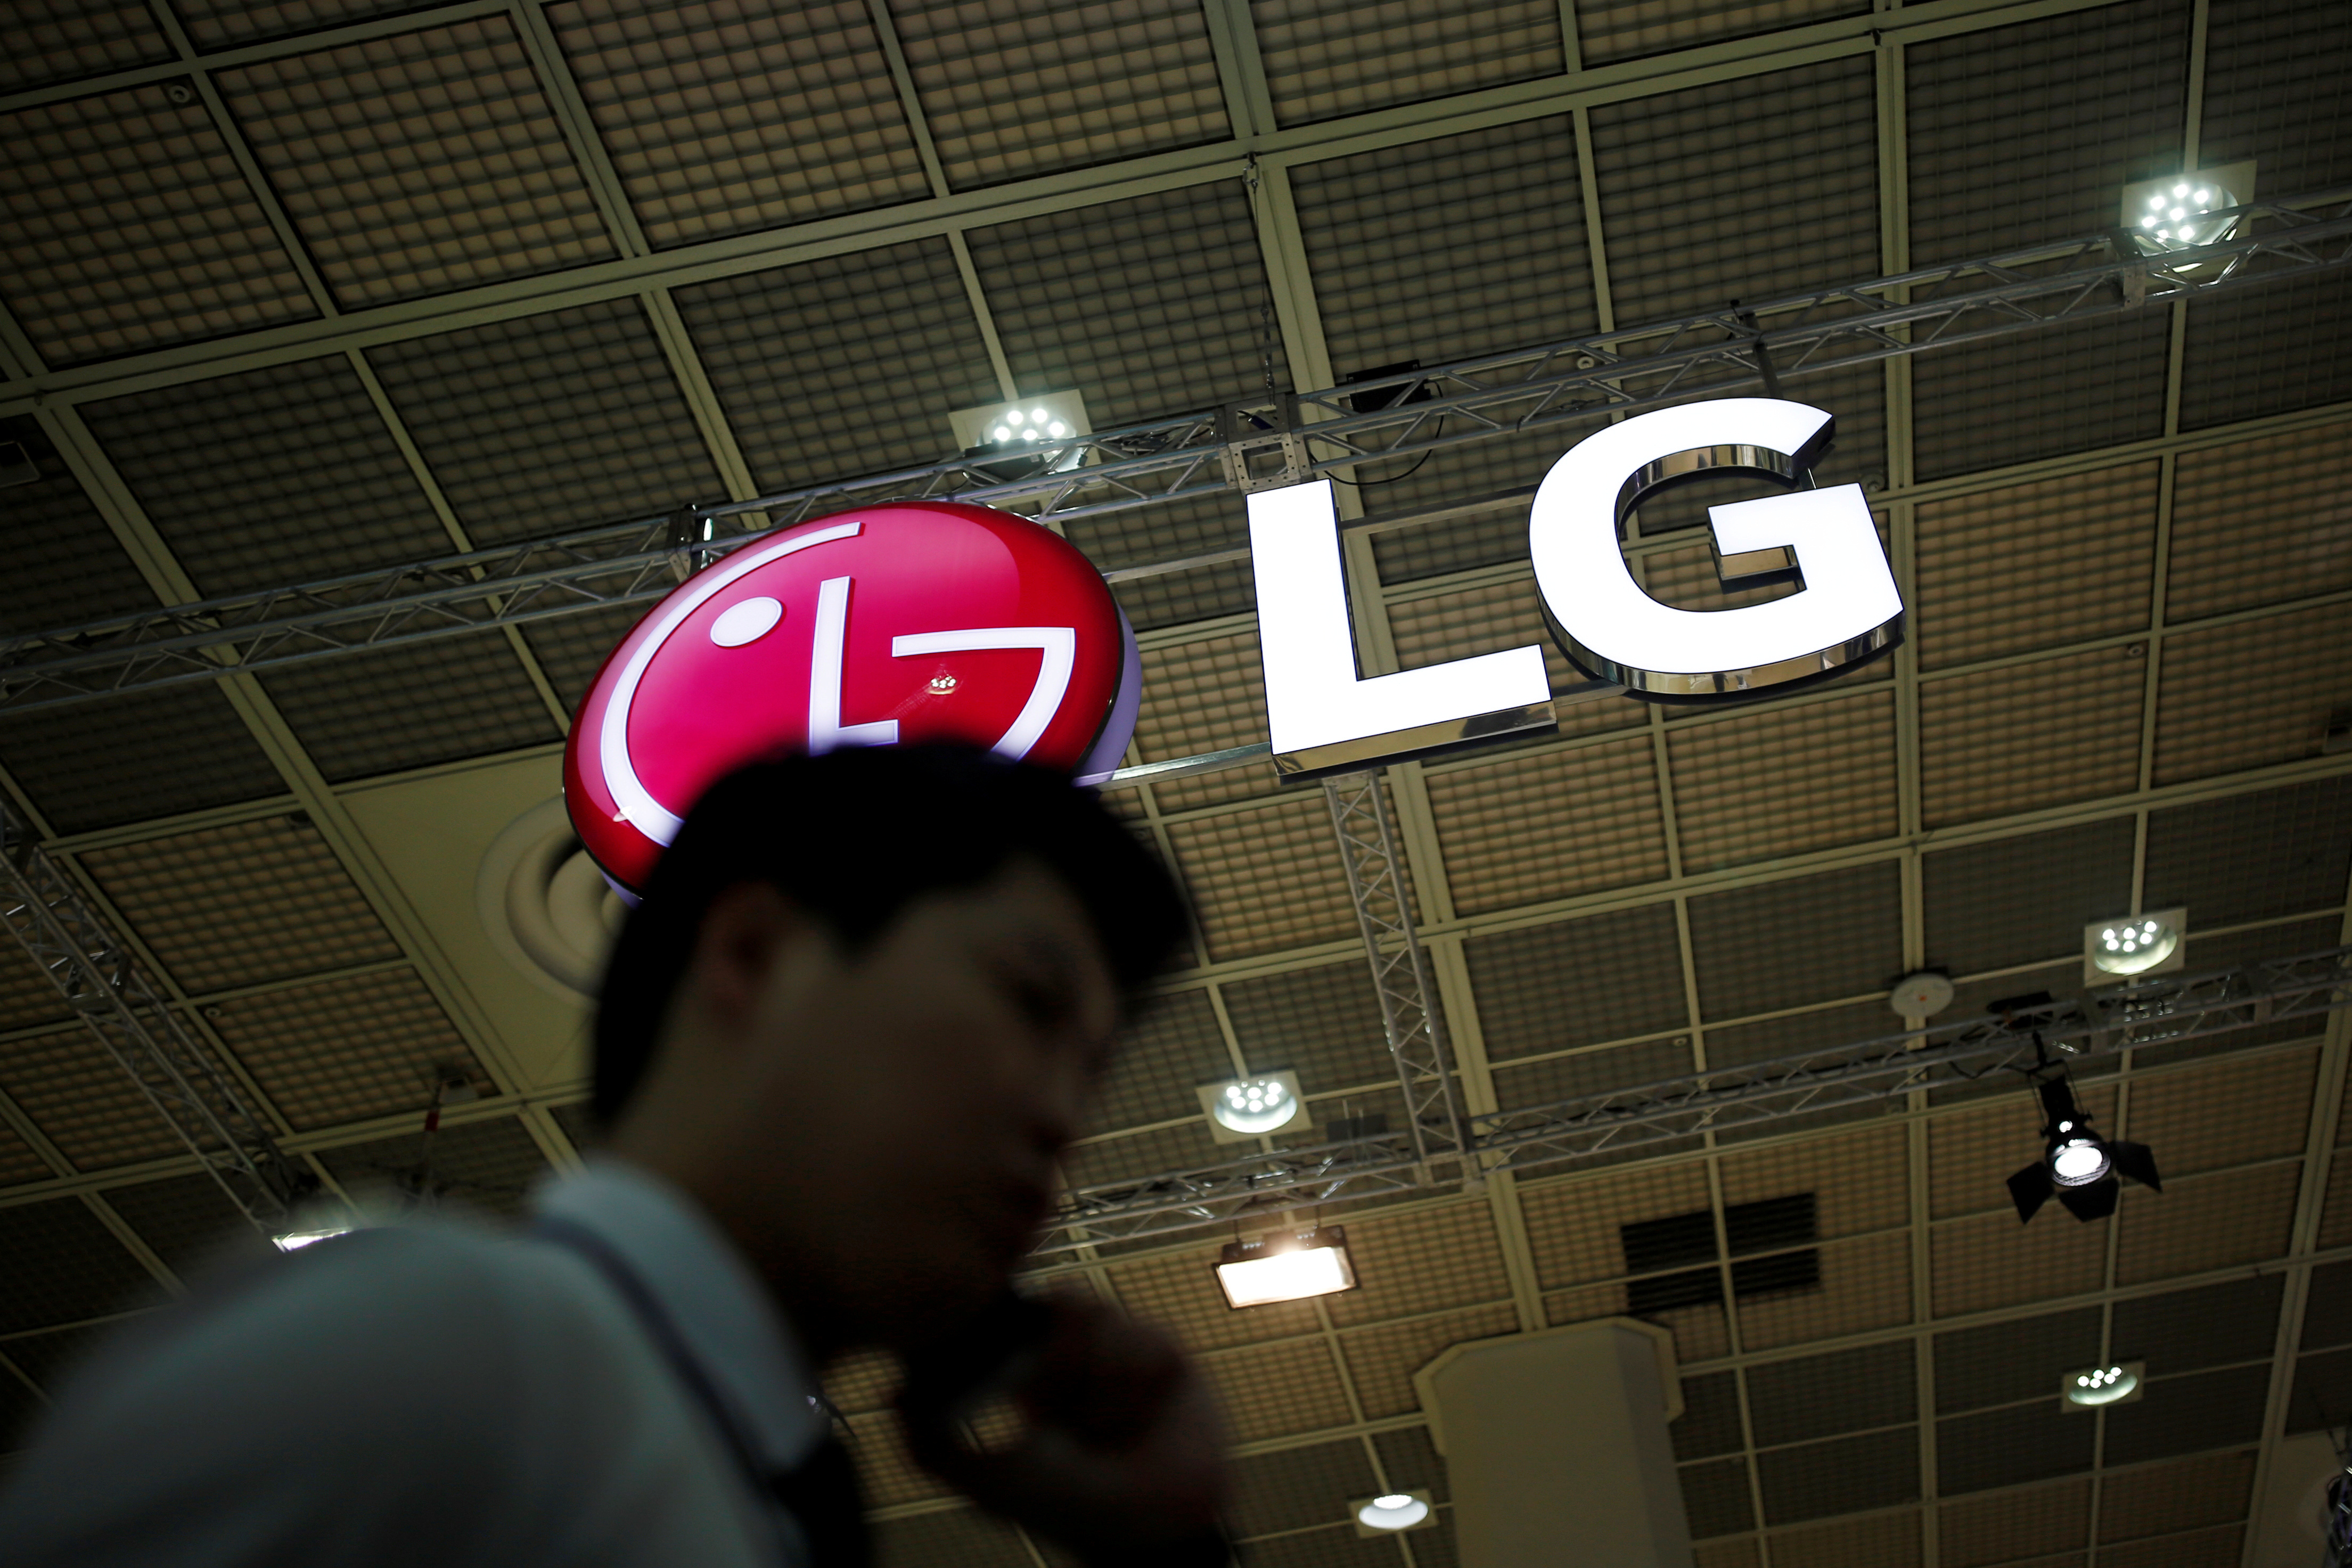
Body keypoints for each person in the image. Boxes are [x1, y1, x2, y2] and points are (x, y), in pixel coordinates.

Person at [0, 744, 1228, 1566]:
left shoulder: (728, 1474)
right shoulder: (446, 1344)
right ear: (753, 954)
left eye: (1095, 1065)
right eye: (1027, 997)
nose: (1068, 1114)